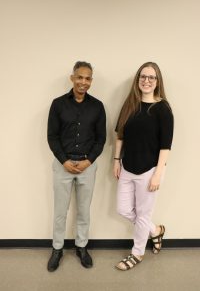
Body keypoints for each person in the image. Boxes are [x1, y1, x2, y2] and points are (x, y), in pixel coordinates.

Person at [113, 62, 174, 271]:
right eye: (143, 76)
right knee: (123, 209)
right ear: (138, 79)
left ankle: (137, 253)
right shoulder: (130, 104)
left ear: (158, 82)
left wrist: (158, 174)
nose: (146, 81)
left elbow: (165, 147)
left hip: (149, 170)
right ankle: (155, 230)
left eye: (151, 77)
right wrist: (116, 160)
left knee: (142, 214)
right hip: (127, 167)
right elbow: (119, 135)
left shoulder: (162, 109)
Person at [47, 61, 106, 271]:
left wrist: (88, 161)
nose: (83, 82)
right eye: (79, 77)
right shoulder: (58, 104)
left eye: (88, 78)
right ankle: (57, 249)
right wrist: (64, 161)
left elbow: (101, 139)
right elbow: (52, 137)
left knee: (83, 211)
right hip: (62, 164)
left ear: (91, 81)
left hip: (87, 166)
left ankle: (81, 247)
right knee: (60, 211)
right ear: (72, 78)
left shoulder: (97, 106)